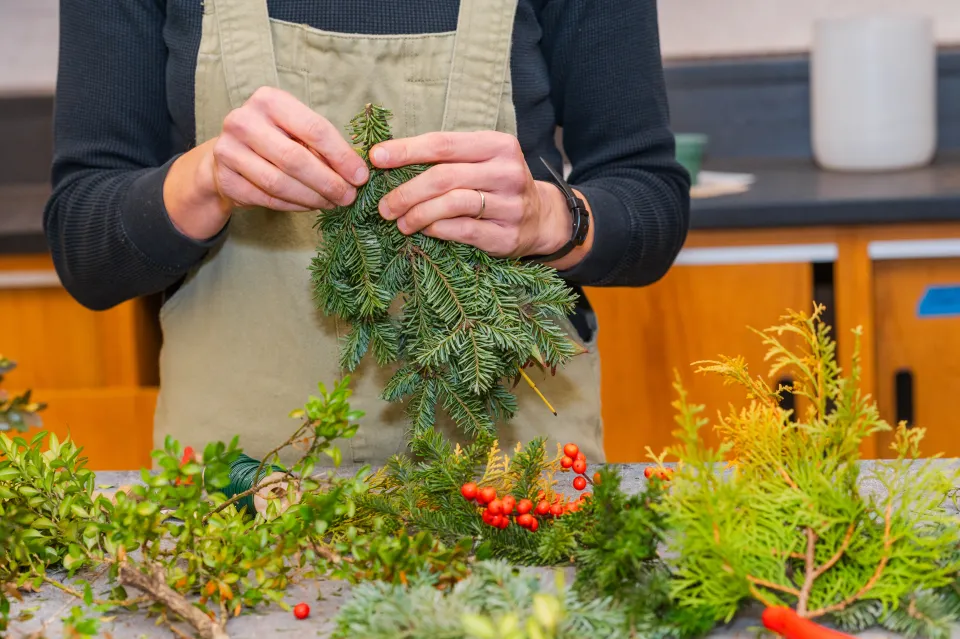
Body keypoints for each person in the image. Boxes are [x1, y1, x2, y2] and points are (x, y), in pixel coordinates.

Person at [45, 0, 691, 465]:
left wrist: (552, 217)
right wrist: (202, 181)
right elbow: (85, 244)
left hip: (510, 488)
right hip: (239, 496)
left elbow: (650, 196)